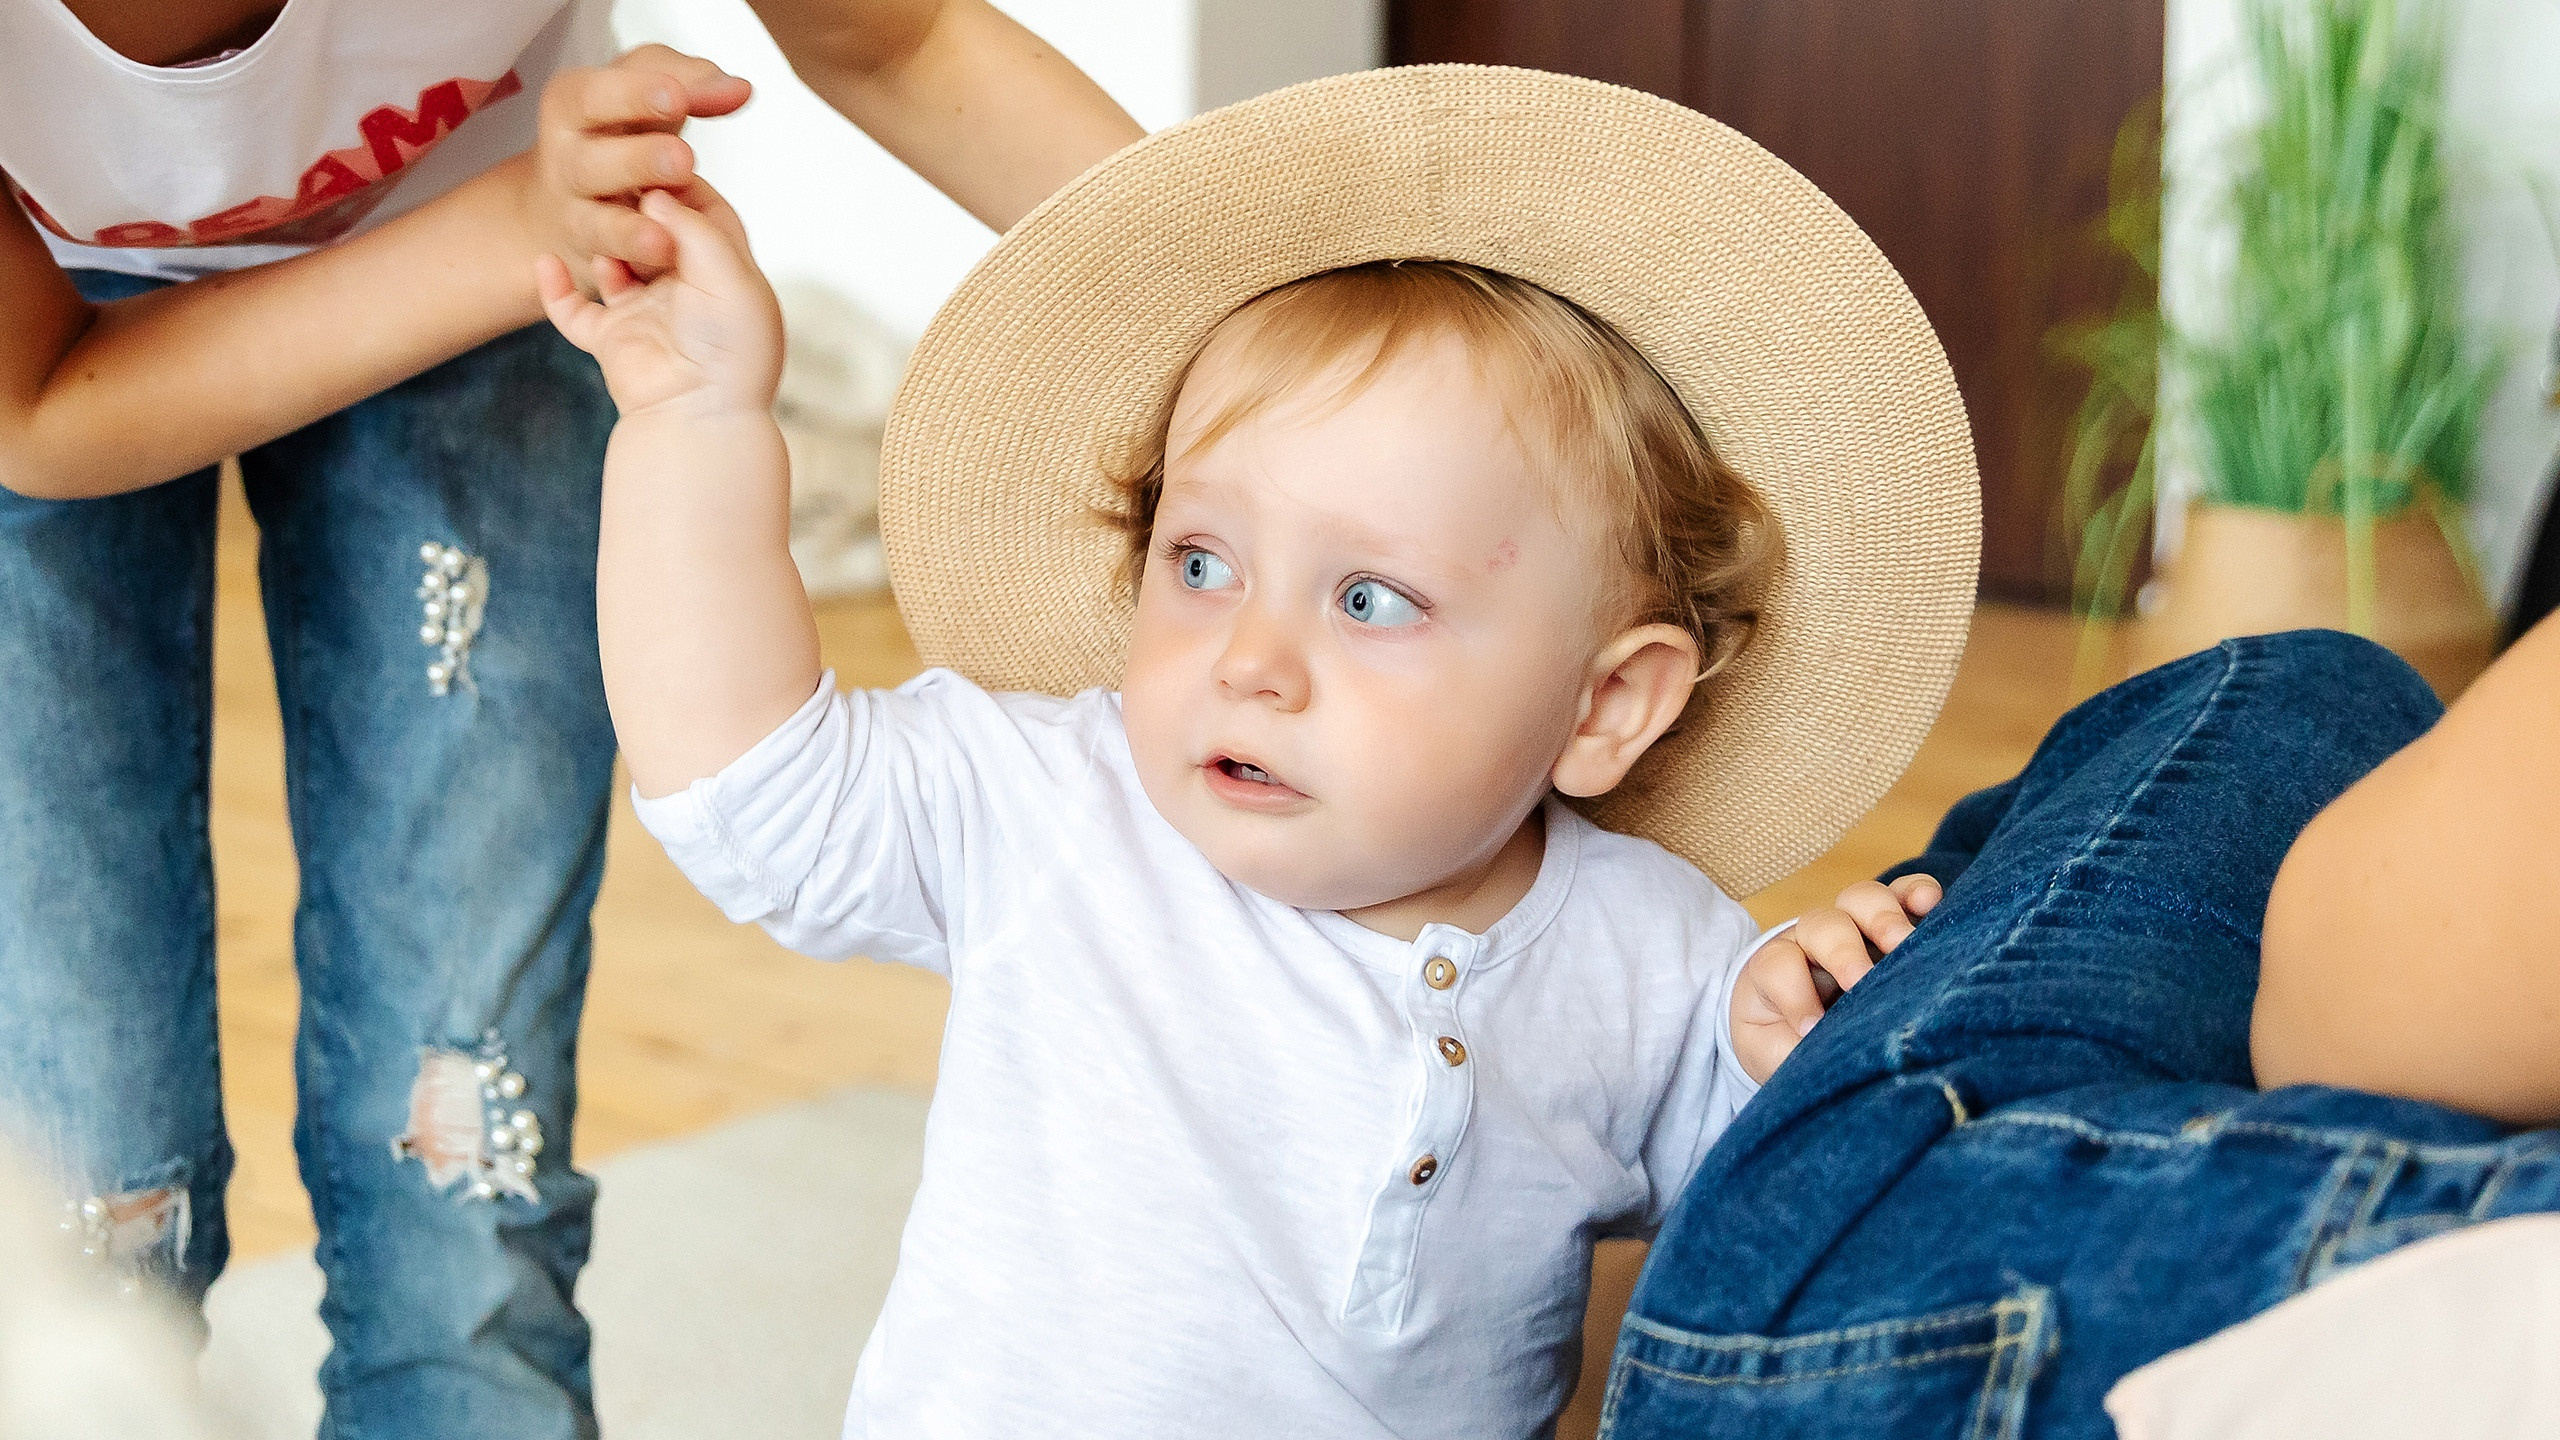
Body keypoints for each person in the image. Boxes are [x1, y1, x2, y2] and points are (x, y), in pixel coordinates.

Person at [537, 66, 1981, 1438]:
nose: (1250, 659)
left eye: (1370, 600)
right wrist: (695, 420)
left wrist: (1786, 1044)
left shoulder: (1655, 956)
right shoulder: (1058, 809)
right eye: (1202, 563)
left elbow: (1777, 1218)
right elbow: (751, 784)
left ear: (1605, 706)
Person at [0, 3, 1138, 1433]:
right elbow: (38, 412)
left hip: (499, 272)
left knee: (466, 1176)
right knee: (93, 1214)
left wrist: (1289, 304)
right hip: (72, 348)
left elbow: (899, 39)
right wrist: (516, 222)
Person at [1603, 616, 2560, 1438]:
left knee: (2312, 687)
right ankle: (1892, 974)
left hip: (1859, 1329)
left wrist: (1759, 1055)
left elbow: (2331, 1029)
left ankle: (1899, 980)